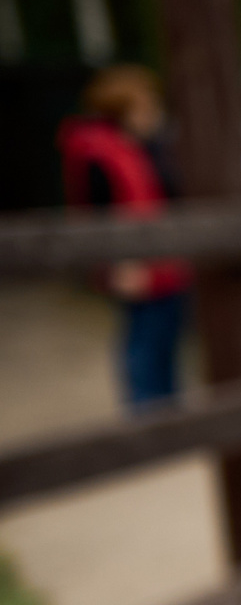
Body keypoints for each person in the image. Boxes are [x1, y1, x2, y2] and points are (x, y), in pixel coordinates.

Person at [57, 65, 191, 411]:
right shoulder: (98, 152)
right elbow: (98, 210)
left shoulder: (144, 147)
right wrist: (120, 262)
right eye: (145, 107)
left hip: (165, 261)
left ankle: (167, 407)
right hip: (134, 262)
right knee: (144, 337)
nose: (153, 114)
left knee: (166, 334)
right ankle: (146, 408)